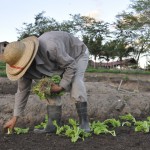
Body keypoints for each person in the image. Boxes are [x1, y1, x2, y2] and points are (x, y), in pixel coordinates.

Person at [2, 31, 90, 133]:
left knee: (76, 82)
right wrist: (15, 117)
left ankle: (84, 123)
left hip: (77, 55)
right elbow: (22, 91)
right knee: (46, 86)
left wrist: (61, 86)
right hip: (60, 62)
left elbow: (71, 65)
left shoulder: (50, 47)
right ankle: (53, 125)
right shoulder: (23, 69)